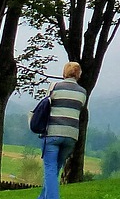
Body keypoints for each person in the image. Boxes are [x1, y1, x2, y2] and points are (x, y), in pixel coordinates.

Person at [37, 62, 87, 199]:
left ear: (64, 72)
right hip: (71, 135)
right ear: (78, 74)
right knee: (55, 169)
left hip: (52, 133)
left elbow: (45, 105)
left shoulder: (54, 87)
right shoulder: (83, 92)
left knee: (50, 169)